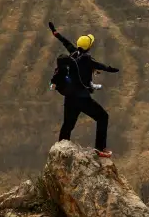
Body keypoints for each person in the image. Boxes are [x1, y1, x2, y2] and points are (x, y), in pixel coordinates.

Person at [49, 22, 119, 158]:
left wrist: (55, 32)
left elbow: (65, 42)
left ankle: (60, 151)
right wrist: (112, 69)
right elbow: (103, 66)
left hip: (69, 98)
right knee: (102, 117)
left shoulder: (73, 54)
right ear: (89, 47)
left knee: (68, 125)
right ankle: (100, 148)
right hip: (82, 99)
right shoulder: (87, 60)